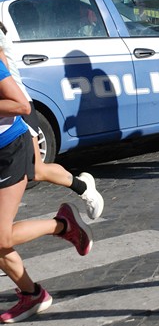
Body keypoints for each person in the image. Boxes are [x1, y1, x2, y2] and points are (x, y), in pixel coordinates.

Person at [0, 57, 94, 323]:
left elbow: (19, 104)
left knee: (0, 238)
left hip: (8, 151)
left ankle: (63, 225)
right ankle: (32, 295)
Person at [0, 22, 104, 220]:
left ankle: (83, 189)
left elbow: (2, 66)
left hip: (17, 106)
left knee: (37, 170)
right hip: (11, 108)